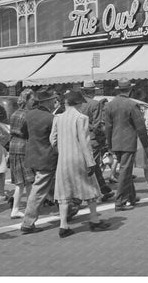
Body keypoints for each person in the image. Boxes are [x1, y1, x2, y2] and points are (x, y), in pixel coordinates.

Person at [50, 90, 111, 237]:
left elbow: (53, 140)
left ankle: (63, 225)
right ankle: (94, 220)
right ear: (77, 103)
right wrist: (90, 162)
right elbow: (84, 142)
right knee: (90, 189)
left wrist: (61, 149)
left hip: (63, 160)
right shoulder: (81, 118)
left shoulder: (57, 118)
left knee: (64, 193)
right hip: (79, 159)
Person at [105, 78, 148, 211]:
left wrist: (109, 144)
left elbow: (108, 127)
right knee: (125, 171)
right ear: (130, 89)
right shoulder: (131, 105)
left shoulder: (110, 105)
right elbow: (140, 127)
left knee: (126, 169)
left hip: (115, 141)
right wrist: (145, 144)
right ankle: (120, 202)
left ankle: (131, 196)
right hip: (128, 142)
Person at [20, 87, 60, 234]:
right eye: (53, 100)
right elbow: (56, 139)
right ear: (48, 101)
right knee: (39, 190)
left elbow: (23, 133)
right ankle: (28, 222)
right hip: (46, 158)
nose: (55, 102)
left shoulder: (29, 115)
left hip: (33, 155)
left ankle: (68, 208)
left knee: (54, 185)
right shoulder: (51, 118)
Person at [79, 80, 114, 202]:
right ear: (92, 91)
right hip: (92, 139)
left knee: (93, 165)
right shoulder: (95, 104)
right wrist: (103, 138)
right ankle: (95, 193)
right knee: (92, 165)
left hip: (79, 138)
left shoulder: (78, 104)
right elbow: (97, 124)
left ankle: (103, 188)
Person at [8, 89, 36, 219]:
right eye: (32, 99)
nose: (33, 101)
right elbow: (30, 133)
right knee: (28, 180)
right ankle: (25, 208)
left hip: (14, 146)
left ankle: (20, 208)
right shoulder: (28, 115)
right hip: (23, 147)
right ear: (26, 100)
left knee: (21, 181)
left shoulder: (14, 114)